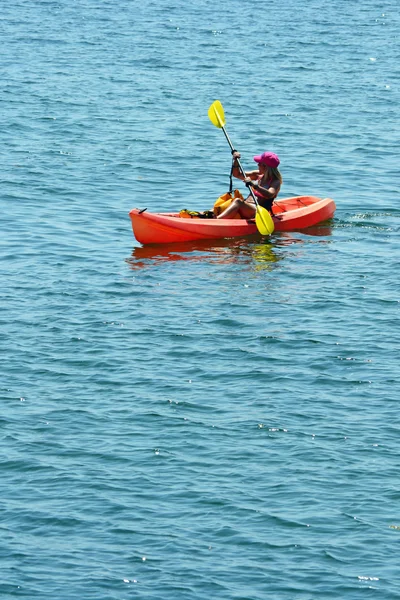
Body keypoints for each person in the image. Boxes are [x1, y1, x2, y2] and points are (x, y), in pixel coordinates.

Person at [216, 150, 282, 219]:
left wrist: (254, 185)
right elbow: (236, 174)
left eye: (259, 163)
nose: (257, 165)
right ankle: (211, 216)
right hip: (247, 207)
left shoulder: (275, 182)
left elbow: (270, 194)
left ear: (265, 166)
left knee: (238, 201)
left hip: (258, 211)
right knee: (227, 203)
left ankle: (218, 220)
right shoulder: (258, 175)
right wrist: (236, 161)